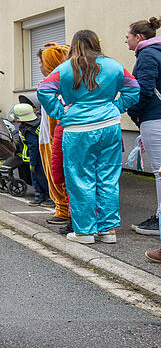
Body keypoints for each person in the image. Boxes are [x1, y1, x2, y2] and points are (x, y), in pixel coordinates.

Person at [38, 30, 140, 244]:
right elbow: (134, 89)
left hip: (76, 129)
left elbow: (44, 88)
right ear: (96, 43)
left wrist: (60, 112)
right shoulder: (113, 66)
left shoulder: (65, 68)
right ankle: (108, 230)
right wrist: (116, 107)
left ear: (75, 45)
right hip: (109, 126)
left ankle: (85, 231)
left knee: (79, 178)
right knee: (108, 177)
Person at [124, 16, 161, 238]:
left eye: (127, 37)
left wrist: (134, 114)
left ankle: (158, 220)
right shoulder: (156, 52)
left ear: (138, 37)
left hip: (154, 118)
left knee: (159, 172)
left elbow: (144, 90)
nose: (125, 41)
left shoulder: (147, 55)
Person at [38, 43, 72, 227]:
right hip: (46, 138)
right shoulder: (51, 84)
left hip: (55, 139)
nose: (39, 66)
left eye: (42, 62)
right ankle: (60, 206)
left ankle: (64, 208)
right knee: (52, 174)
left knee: (58, 174)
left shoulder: (59, 88)